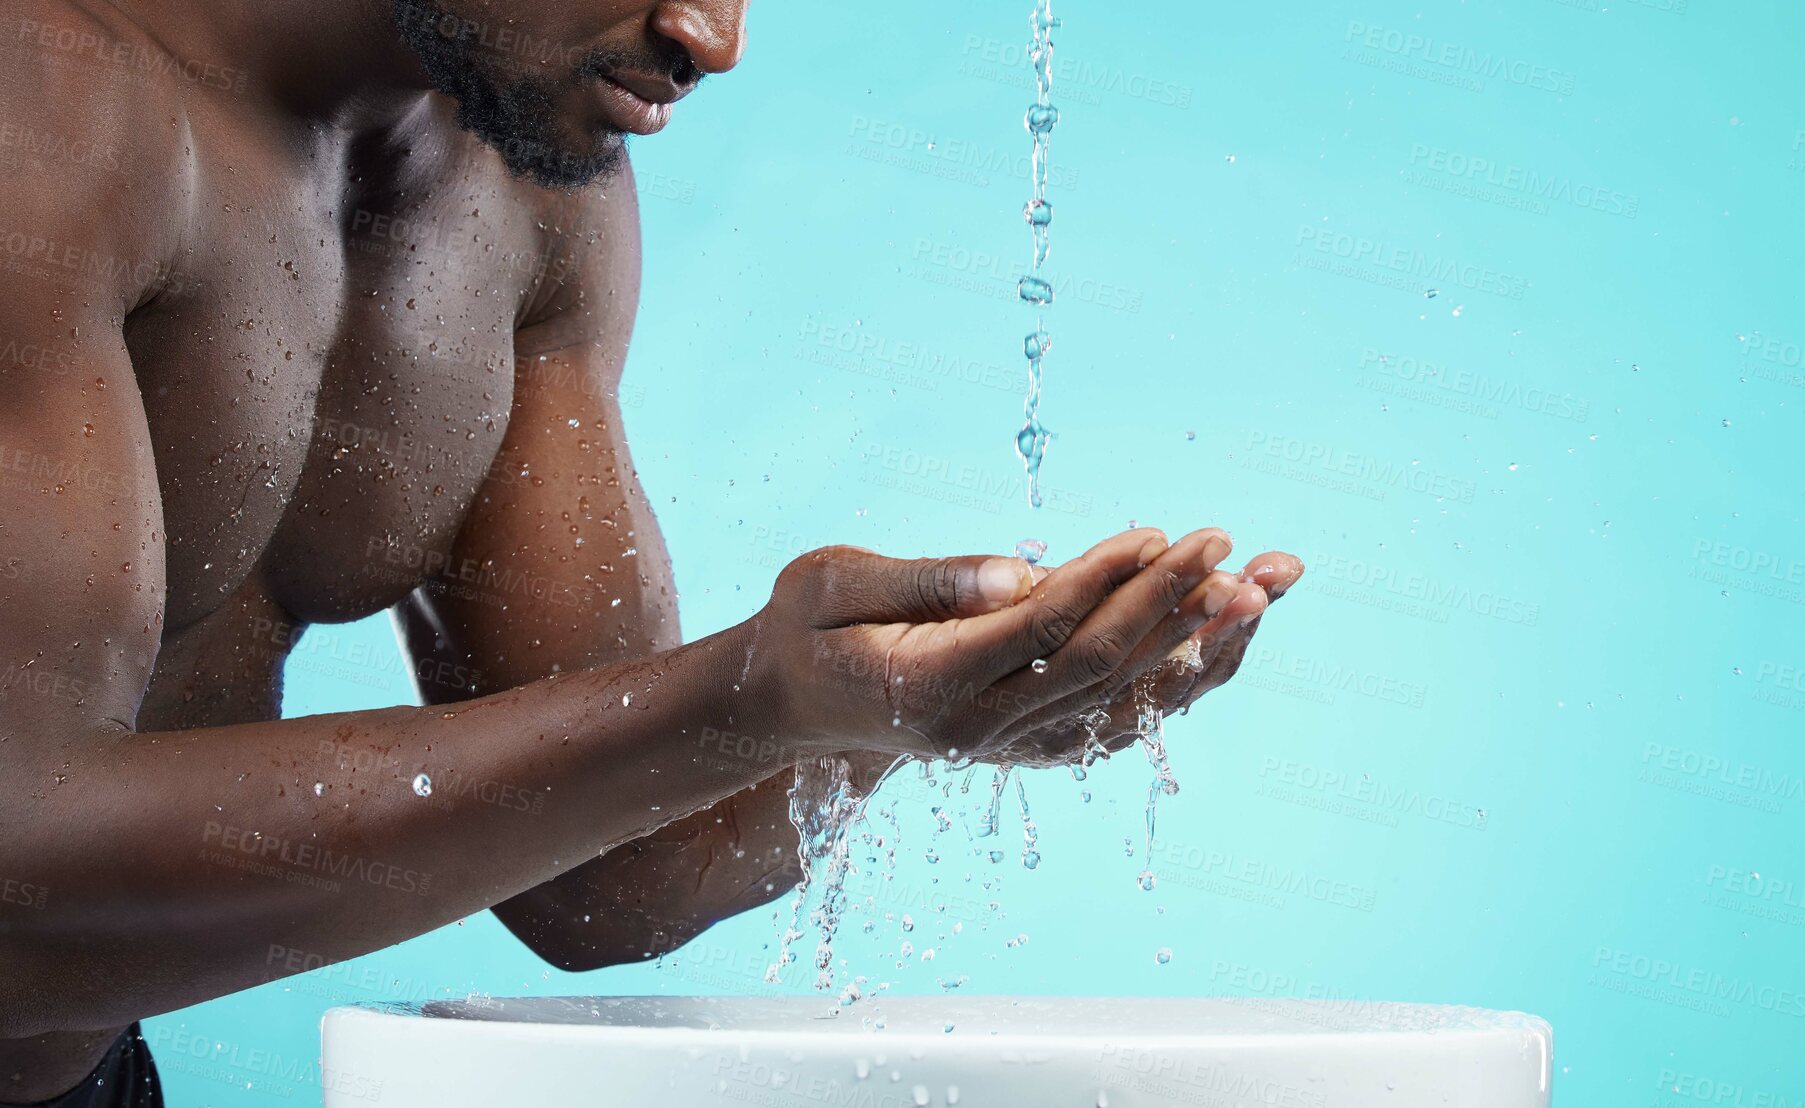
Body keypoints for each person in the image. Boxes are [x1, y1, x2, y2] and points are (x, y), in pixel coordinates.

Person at [0, 1, 1305, 1102]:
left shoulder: (522, 192)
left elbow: (604, 882)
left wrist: (888, 717)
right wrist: (740, 695)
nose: (711, 34)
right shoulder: (43, 107)